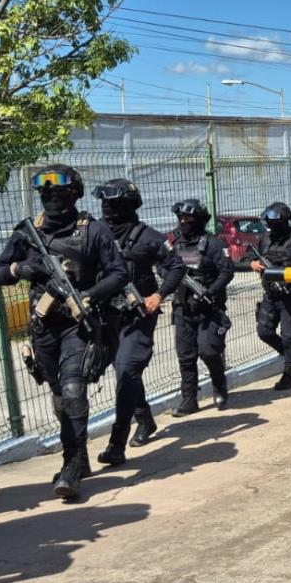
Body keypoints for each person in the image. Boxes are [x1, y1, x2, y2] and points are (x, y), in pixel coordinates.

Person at [0, 165, 127, 501]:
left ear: (75, 193)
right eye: (45, 190)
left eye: (60, 190)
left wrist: (88, 296)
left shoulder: (93, 231)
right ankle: (80, 454)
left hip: (78, 324)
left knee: (73, 390)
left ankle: (70, 464)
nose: (51, 196)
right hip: (43, 325)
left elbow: (118, 273)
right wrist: (22, 268)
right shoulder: (27, 232)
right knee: (58, 395)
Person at [94, 179, 183, 467]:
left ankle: (117, 443)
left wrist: (159, 294)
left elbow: (176, 267)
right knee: (124, 374)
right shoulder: (94, 233)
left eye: (114, 204)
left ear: (130, 205)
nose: (108, 209)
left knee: (126, 369)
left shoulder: (149, 237)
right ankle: (144, 418)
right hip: (104, 315)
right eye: (105, 203)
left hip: (138, 314)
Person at [167, 198, 234, 415]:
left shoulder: (213, 243)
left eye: (188, 218)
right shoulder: (174, 243)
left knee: (208, 351)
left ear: (199, 220)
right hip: (182, 307)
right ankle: (189, 399)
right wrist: (167, 275)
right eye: (180, 218)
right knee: (186, 355)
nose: (183, 221)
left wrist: (209, 292)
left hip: (208, 308)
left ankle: (219, 384)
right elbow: (161, 265)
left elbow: (226, 271)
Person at [250, 202, 291, 391]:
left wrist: (289, 274)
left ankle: (289, 374)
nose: (273, 227)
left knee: (289, 337)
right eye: (270, 223)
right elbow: (254, 258)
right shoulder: (264, 239)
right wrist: (253, 264)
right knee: (264, 332)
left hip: (290, 296)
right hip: (270, 295)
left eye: (277, 223)